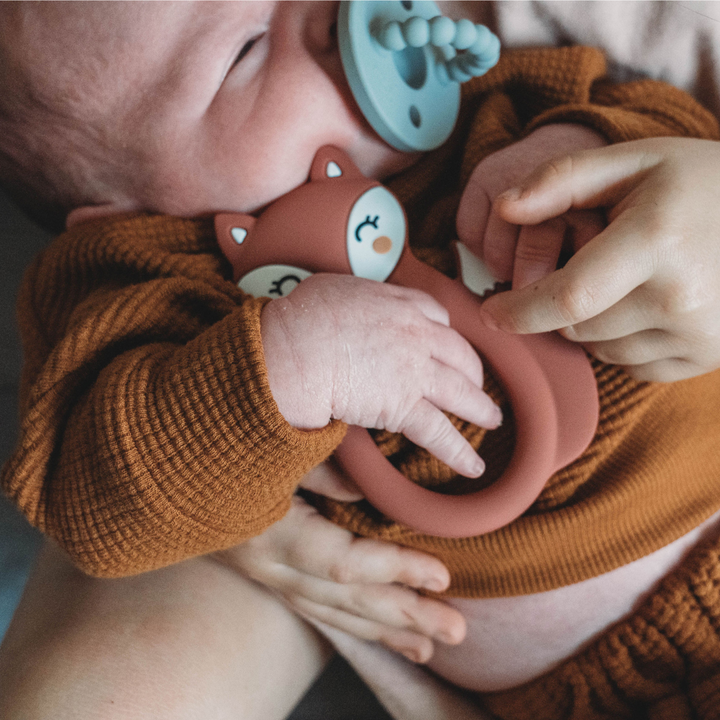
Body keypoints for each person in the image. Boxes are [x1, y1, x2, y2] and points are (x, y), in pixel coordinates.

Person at [1, 3, 720, 720]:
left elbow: (666, 127)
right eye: (247, 50)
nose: (334, 24)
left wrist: (585, 144)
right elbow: (93, 495)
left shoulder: (498, 99)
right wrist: (284, 370)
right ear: (122, 210)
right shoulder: (152, 283)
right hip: (616, 686)